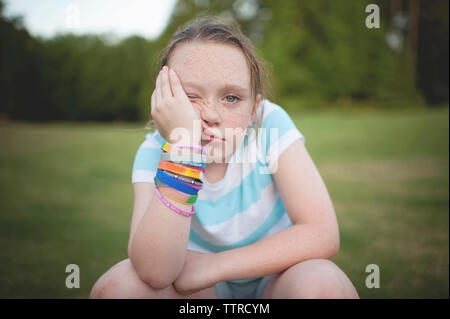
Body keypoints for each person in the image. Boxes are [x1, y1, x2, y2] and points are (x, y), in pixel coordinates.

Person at [90, 17, 359, 299]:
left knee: (323, 284)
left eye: (231, 98)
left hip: (278, 278)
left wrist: (215, 265)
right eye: (191, 97)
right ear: (164, 100)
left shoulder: (268, 124)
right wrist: (183, 148)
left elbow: (321, 232)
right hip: (196, 291)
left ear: (254, 109)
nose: (211, 115)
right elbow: (154, 271)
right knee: (119, 288)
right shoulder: (154, 152)